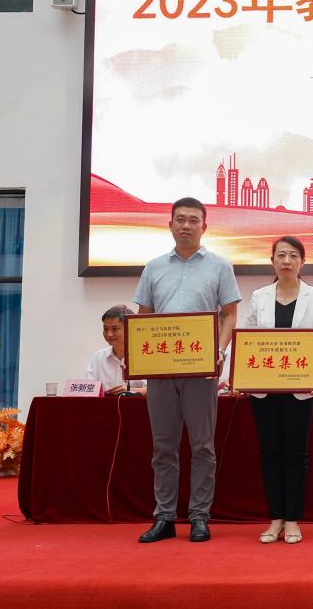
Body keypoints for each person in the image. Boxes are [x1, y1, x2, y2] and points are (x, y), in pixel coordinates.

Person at [133, 197, 241, 544]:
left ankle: (199, 517)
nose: (186, 225)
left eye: (193, 220)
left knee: (203, 446)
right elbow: (144, 318)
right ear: (170, 225)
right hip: (161, 371)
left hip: (201, 371)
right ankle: (164, 518)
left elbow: (229, 315)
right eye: (180, 219)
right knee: (163, 447)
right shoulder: (153, 268)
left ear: (204, 227)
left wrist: (219, 353)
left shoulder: (220, 266)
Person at [243, 236, 313, 545]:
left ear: (302, 262)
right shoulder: (259, 296)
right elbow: (247, 339)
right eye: (281, 255)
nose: (286, 261)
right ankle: (275, 518)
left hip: (299, 388)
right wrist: (239, 378)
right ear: (272, 261)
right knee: (270, 454)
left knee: (295, 454)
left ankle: (292, 519)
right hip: (264, 390)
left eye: (293, 256)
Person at [85, 304, 145, 396]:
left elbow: (154, 391)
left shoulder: (144, 356)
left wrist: (129, 390)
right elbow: (87, 389)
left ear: (129, 328)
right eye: (105, 329)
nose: (109, 334)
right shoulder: (98, 357)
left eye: (114, 329)